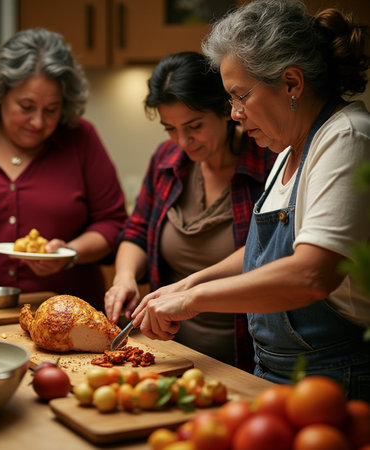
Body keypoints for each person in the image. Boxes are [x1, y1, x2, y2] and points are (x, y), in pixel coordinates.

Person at [131, 0, 370, 400]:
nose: (235, 114)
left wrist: (192, 300)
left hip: (334, 377)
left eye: (240, 95)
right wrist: (191, 281)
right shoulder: (288, 151)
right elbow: (262, 251)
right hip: (274, 372)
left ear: (292, 83)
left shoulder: (346, 138)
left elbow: (311, 274)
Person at [0, 28, 127, 308]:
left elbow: (113, 222)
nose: (38, 122)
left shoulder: (81, 138)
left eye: (52, 109)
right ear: (0, 94)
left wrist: (71, 253)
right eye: (26, 106)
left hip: (67, 319)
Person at [104, 51, 275, 369]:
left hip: (248, 358)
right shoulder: (166, 160)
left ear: (226, 110)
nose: (183, 141)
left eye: (194, 126)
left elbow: (266, 249)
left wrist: (189, 287)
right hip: (173, 356)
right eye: (170, 128)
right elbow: (137, 230)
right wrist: (124, 277)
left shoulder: (266, 161)